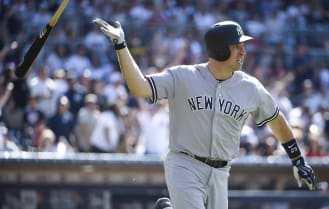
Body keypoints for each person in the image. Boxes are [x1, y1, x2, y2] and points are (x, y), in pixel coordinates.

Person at [93, 18, 316, 209]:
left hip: (221, 171)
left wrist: (298, 160)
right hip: (185, 164)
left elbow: (276, 120)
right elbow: (140, 87)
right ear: (220, 49)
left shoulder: (251, 87)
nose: (243, 51)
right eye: (237, 46)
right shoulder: (183, 76)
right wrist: (121, 46)